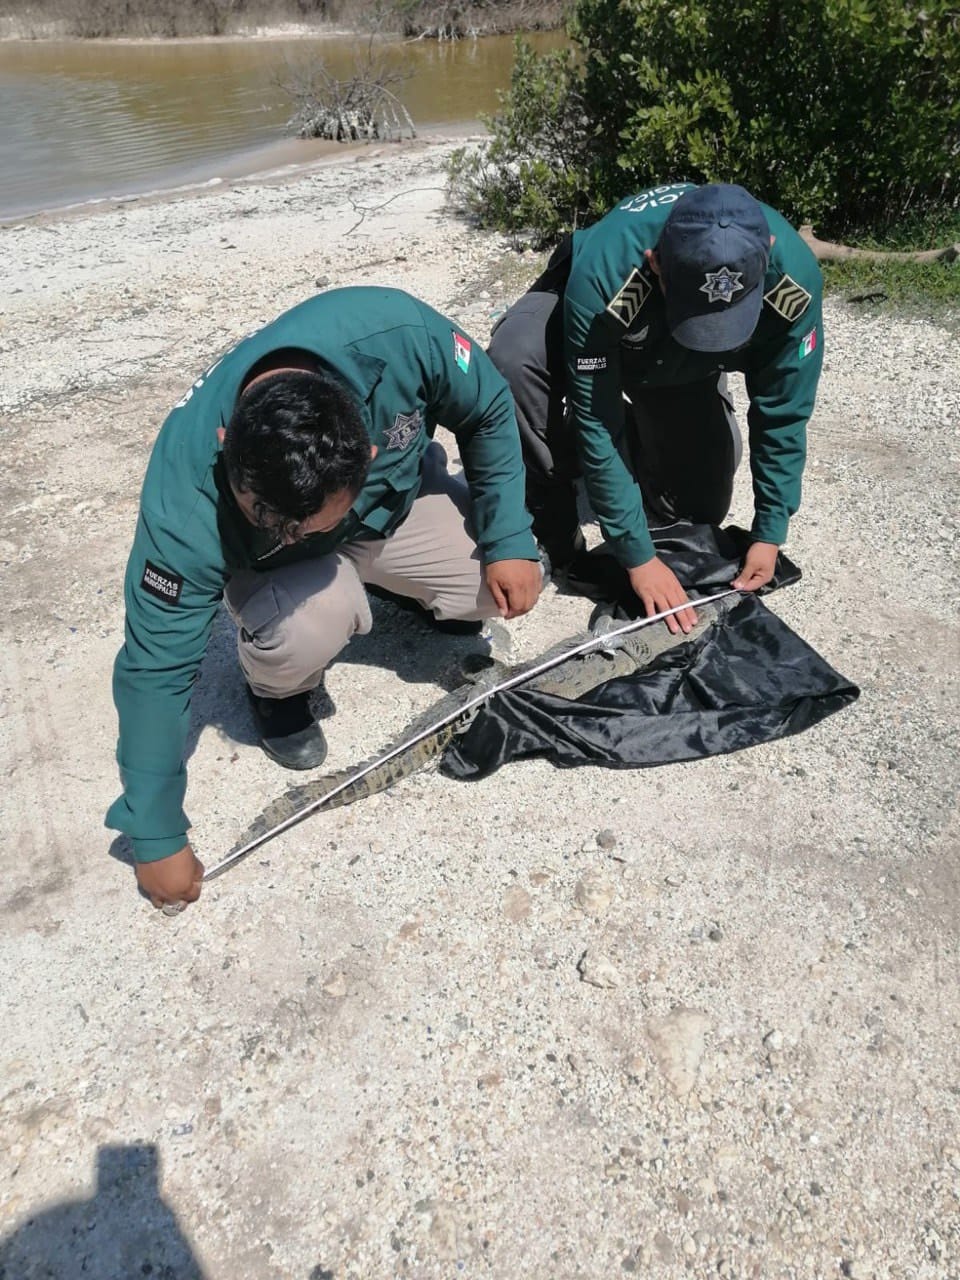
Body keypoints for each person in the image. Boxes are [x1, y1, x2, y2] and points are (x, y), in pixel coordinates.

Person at [107, 287, 542, 911]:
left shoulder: (399, 334)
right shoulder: (184, 495)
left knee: (496, 582)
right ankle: (275, 688)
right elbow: (155, 668)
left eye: (306, 523)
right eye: (272, 519)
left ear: (367, 451)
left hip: (382, 510)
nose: (293, 532)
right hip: (282, 569)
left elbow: (490, 406)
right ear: (228, 442)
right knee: (315, 618)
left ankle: (399, 585)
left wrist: (509, 539)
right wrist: (155, 834)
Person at [488, 182, 824, 633]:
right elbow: (597, 420)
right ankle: (553, 529)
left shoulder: (794, 282)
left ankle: (644, 433)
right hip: (598, 332)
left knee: (698, 512)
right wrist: (637, 556)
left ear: (767, 252)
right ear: (655, 262)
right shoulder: (606, 277)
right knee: (516, 357)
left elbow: (783, 411)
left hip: (676, 365)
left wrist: (770, 529)